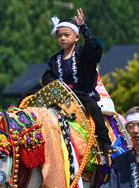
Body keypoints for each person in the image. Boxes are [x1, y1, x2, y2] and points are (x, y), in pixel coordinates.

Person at [42, 8, 114, 154]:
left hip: (83, 95)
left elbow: (95, 48)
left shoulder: (83, 53)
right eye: (59, 35)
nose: (62, 38)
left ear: (76, 37)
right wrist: (56, 85)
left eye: (66, 35)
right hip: (60, 97)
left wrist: (84, 28)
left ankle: (105, 143)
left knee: (93, 108)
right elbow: (47, 77)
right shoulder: (55, 59)